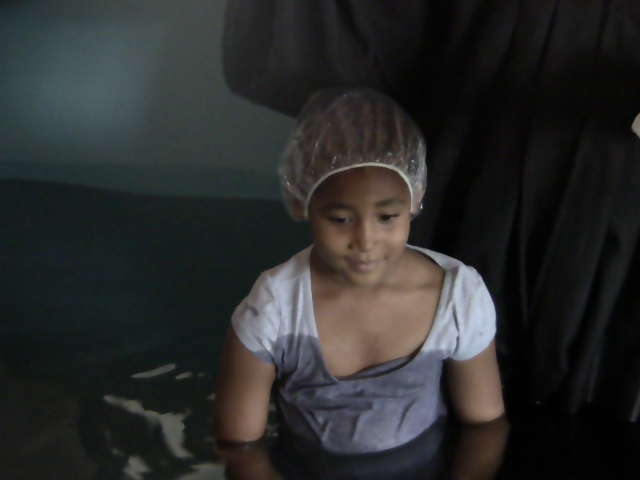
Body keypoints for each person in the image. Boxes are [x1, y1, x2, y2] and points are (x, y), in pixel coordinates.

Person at [213, 88, 508, 480]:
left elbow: (485, 425)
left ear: (415, 197)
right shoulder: (275, 309)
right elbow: (240, 447)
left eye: (387, 217)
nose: (366, 241)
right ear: (301, 202)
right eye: (340, 219)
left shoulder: (457, 296)